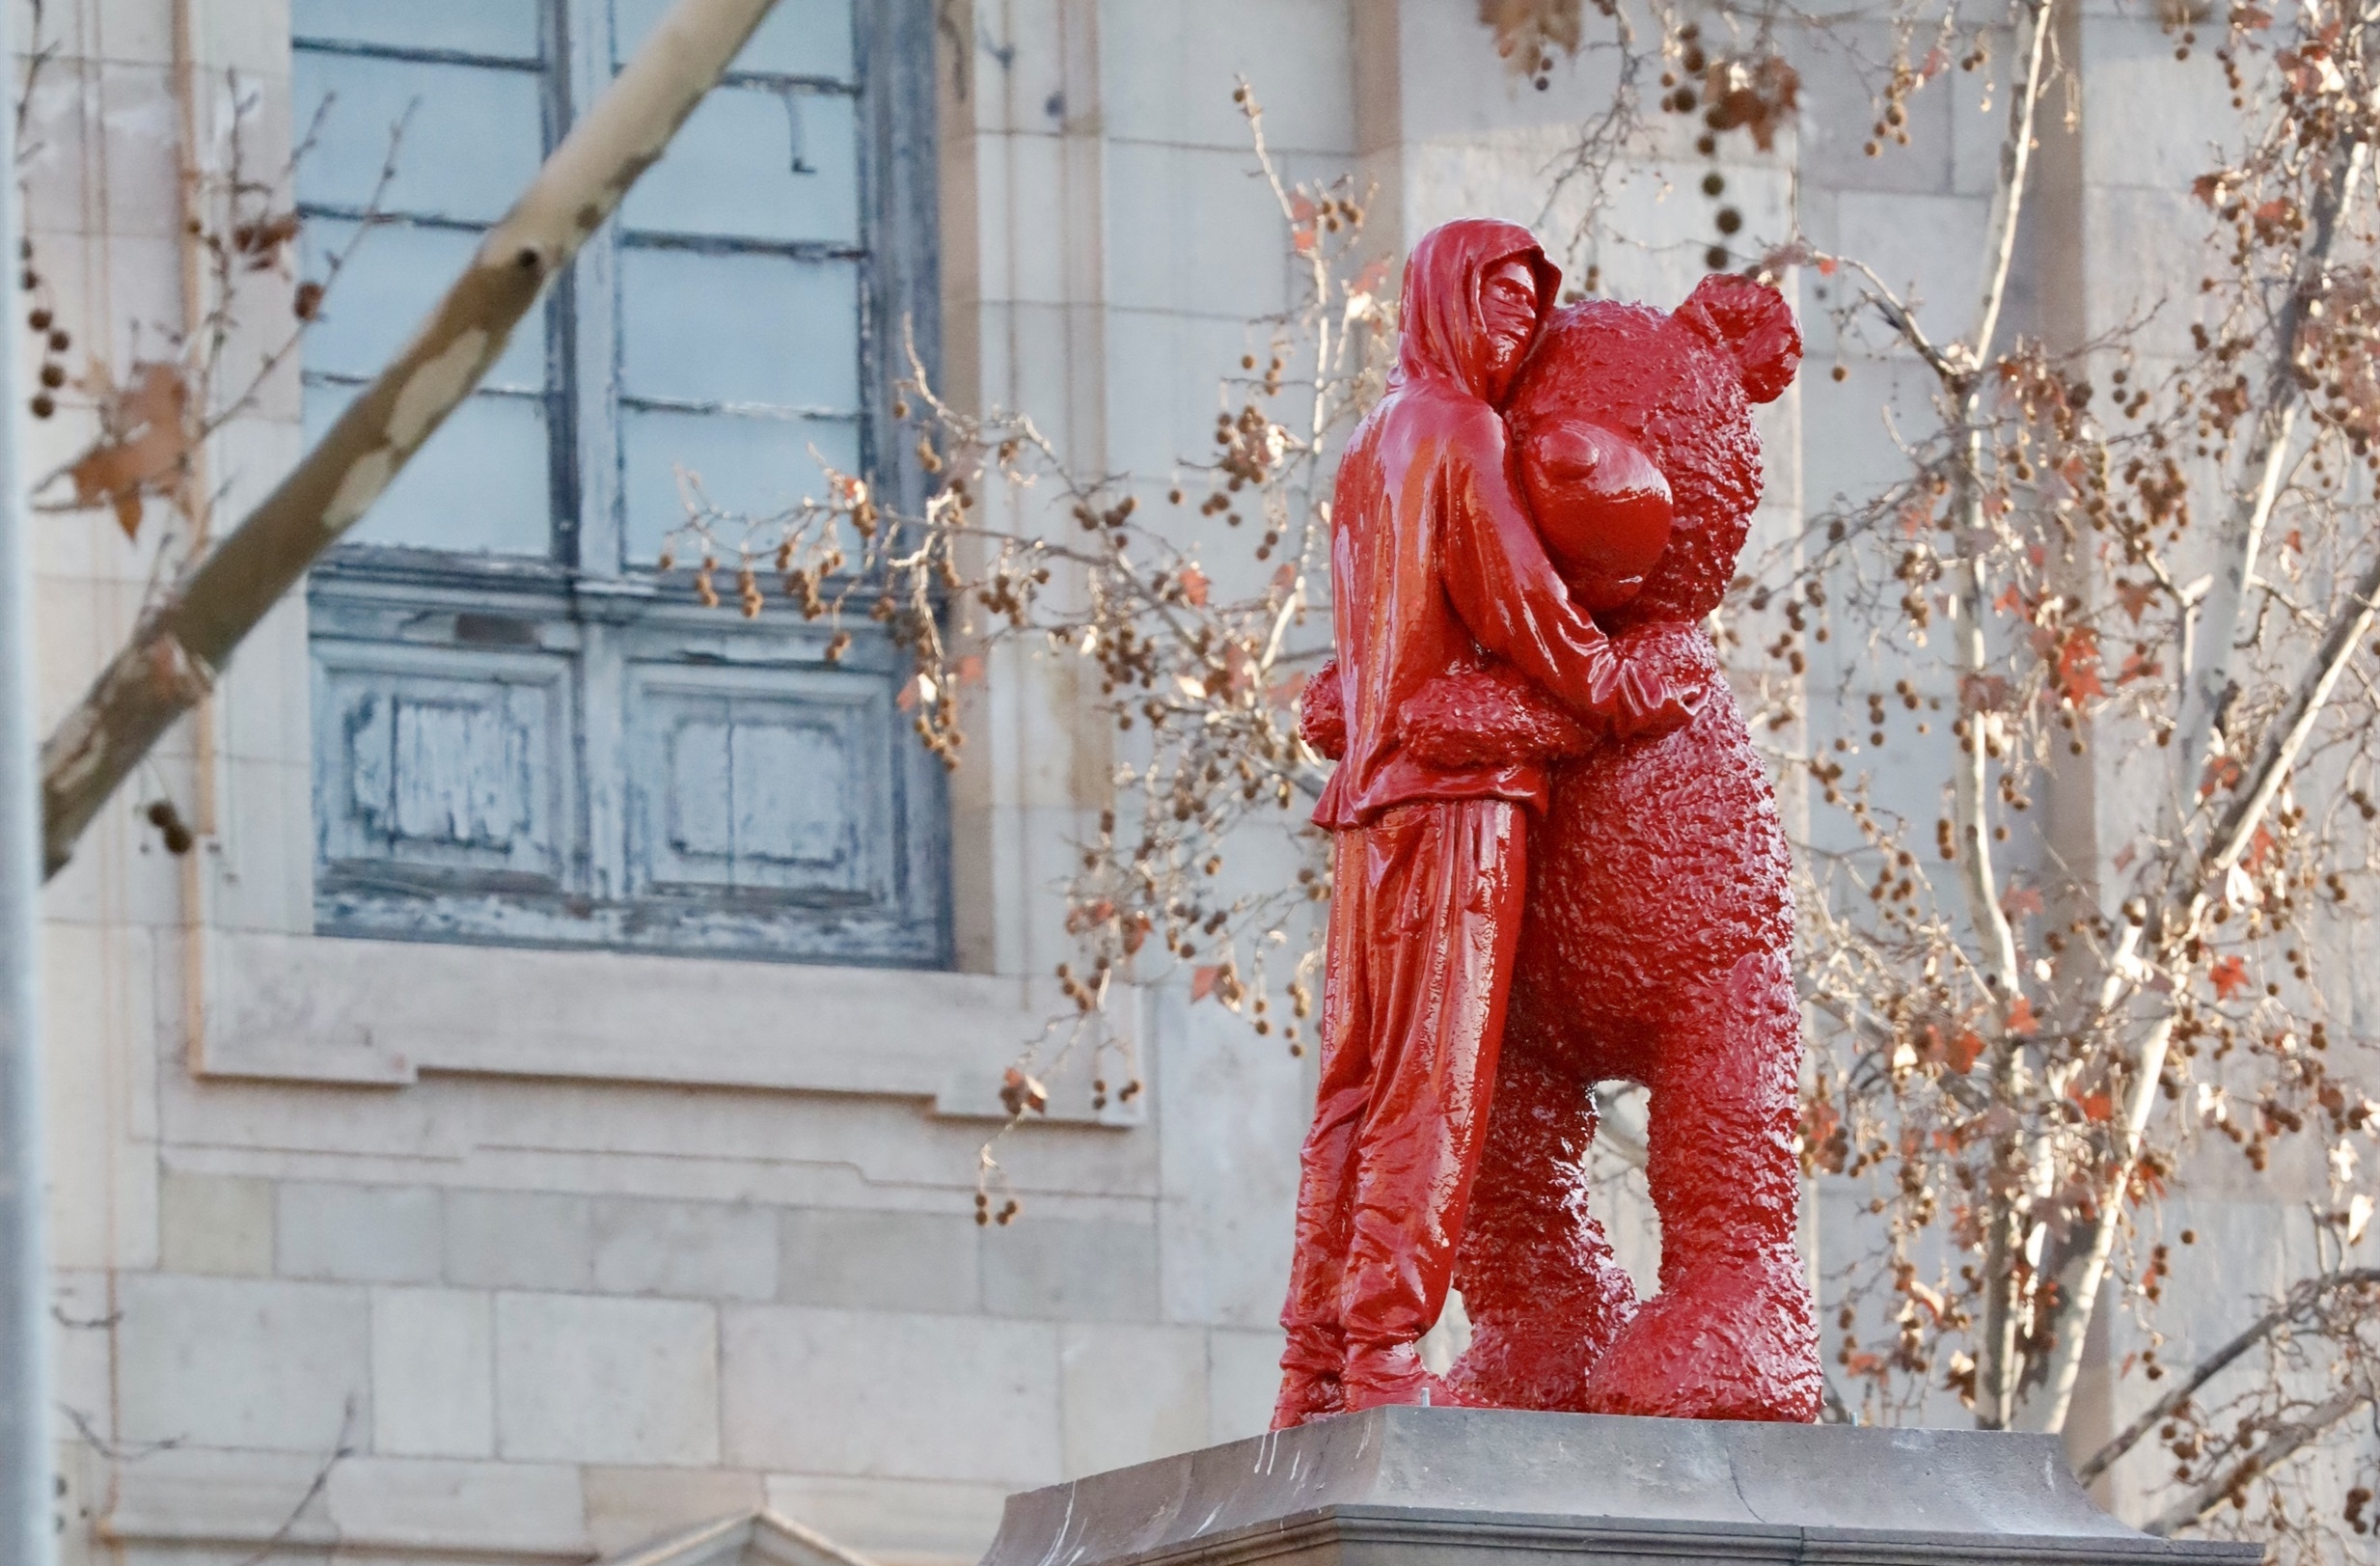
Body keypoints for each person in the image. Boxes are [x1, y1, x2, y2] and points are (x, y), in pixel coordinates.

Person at [1272, 219, 1698, 1426]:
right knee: (1432, 1087)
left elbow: (1366, 641)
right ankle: (1383, 1356)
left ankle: (1312, 1367)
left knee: (1352, 1092)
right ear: (1442, 303)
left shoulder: (1368, 445)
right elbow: (1519, 602)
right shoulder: (1459, 432)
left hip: (1367, 800)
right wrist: (1618, 687)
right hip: (1455, 801)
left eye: (1528, 311)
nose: (1513, 330)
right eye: (1496, 305)